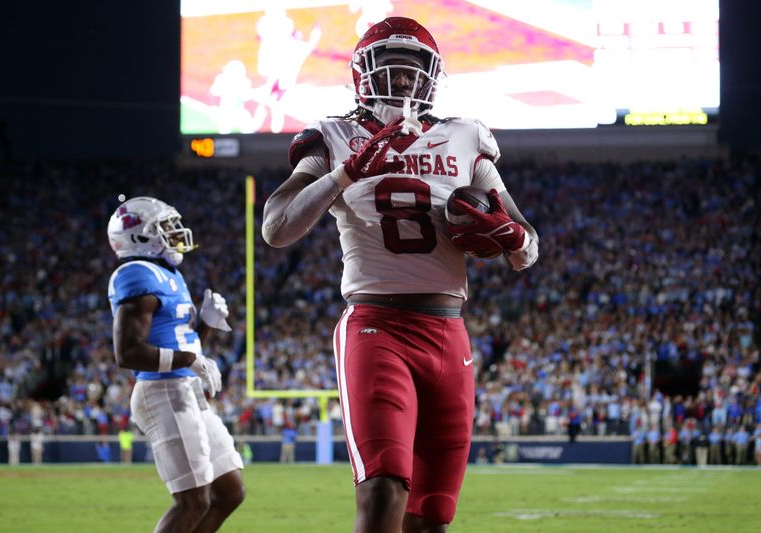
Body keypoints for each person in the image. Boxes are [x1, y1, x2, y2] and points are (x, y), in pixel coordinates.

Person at [262, 16, 539, 532]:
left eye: (413, 69)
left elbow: (527, 246)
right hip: (377, 325)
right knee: (385, 488)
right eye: (391, 67)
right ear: (364, 75)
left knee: (432, 515)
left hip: (448, 331)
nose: (404, 78)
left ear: (431, 77)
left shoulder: (465, 137)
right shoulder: (334, 135)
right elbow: (277, 227)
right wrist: (348, 171)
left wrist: (509, 236)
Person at [107, 196, 245, 533]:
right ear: (139, 236)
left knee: (229, 491)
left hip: (184, 388)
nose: (174, 232)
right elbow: (127, 353)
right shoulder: (135, 272)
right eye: (163, 227)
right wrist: (190, 359)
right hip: (162, 391)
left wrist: (206, 325)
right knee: (192, 500)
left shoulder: (169, 273)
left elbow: (180, 344)